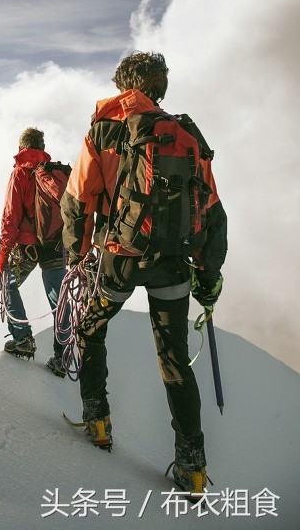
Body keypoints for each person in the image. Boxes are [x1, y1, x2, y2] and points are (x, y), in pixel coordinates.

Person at [60, 51, 227, 496]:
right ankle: (192, 468)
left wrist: (77, 254)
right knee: (173, 358)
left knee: (91, 329)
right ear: (161, 87)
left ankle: (98, 423)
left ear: (123, 87)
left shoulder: (104, 129)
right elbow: (212, 210)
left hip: (119, 258)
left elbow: (78, 197)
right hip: (173, 262)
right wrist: (209, 279)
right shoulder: (186, 133)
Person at [0, 126, 71, 376]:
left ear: (21, 148)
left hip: (27, 247)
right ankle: (63, 356)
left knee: (8, 283)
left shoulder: (20, 173)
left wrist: (3, 252)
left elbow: (10, 216)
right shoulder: (54, 174)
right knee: (59, 299)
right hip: (56, 245)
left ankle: (22, 339)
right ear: (43, 148)